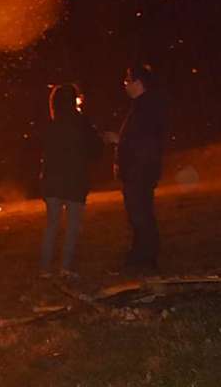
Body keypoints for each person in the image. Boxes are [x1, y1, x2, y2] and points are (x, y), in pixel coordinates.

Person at [103, 63, 166, 274]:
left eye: (127, 80)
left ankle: (146, 257)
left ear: (138, 82)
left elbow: (141, 142)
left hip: (139, 171)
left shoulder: (145, 108)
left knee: (141, 215)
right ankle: (141, 255)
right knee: (139, 214)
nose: (125, 84)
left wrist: (117, 141)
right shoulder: (142, 106)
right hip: (138, 170)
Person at [39, 84, 103, 278]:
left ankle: (45, 269)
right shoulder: (81, 122)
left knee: (52, 226)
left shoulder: (50, 125)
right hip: (75, 181)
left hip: (52, 183)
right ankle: (65, 268)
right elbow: (95, 151)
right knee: (72, 226)